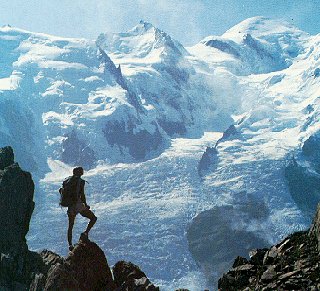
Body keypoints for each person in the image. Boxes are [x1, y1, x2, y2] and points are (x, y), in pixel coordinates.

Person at [67, 166, 97, 251]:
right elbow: (82, 195)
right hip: (78, 205)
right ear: (80, 173)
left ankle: (70, 244)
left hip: (70, 206)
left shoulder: (68, 181)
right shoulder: (81, 182)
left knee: (70, 226)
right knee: (93, 218)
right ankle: (85, 233)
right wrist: (86, 205)